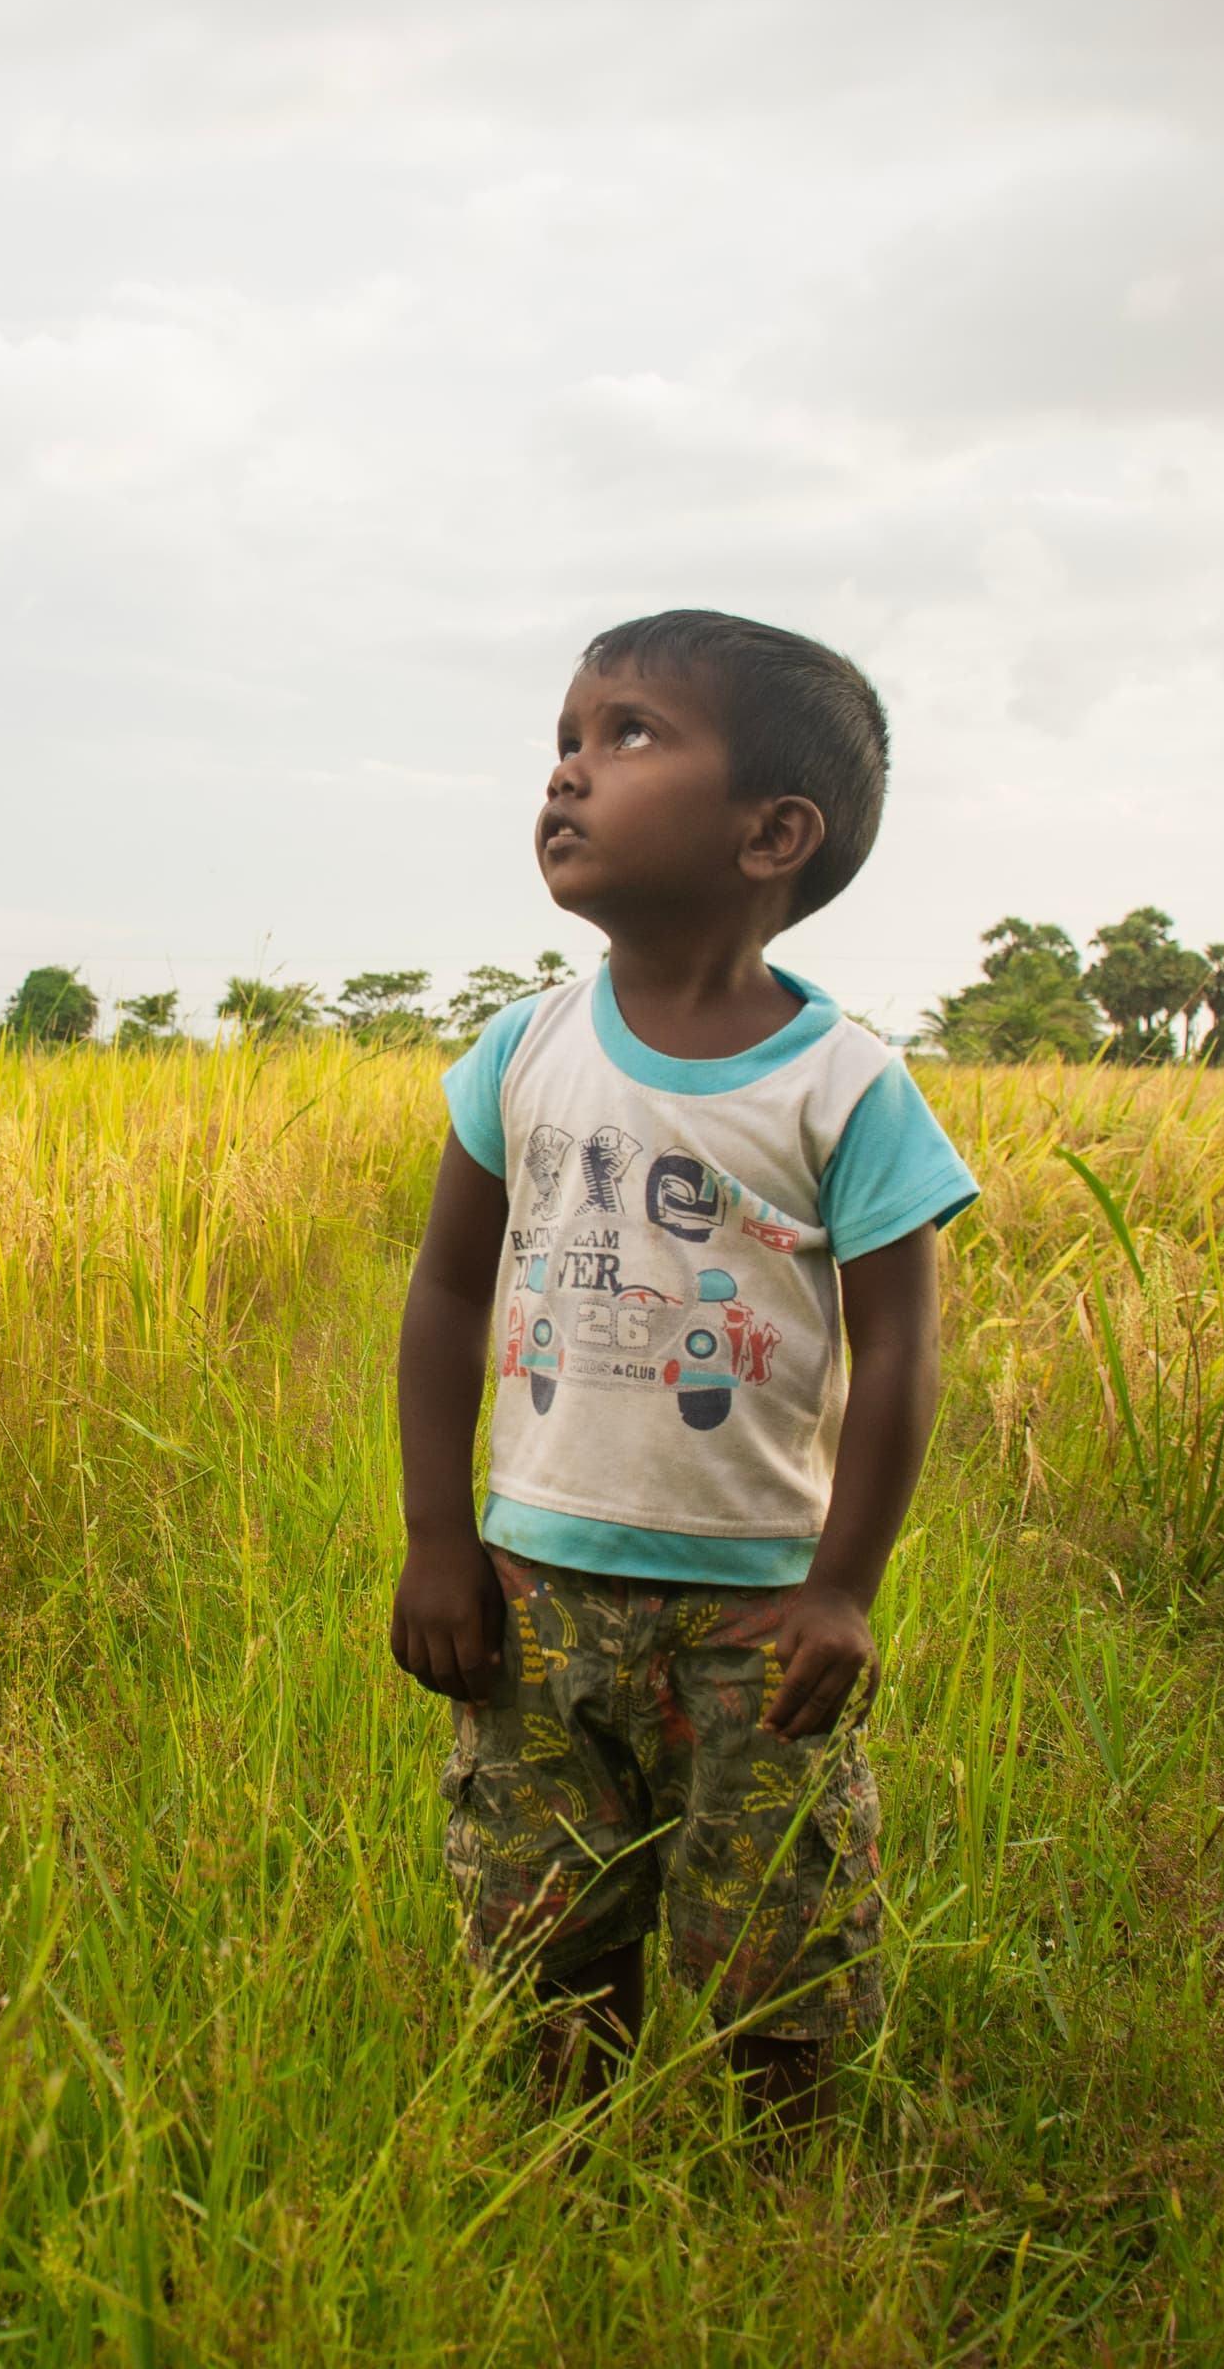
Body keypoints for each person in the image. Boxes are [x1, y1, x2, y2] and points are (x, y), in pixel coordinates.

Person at [389, 608, 976, 2127]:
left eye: (629, 734)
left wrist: (843, 1586)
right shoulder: (520, 1052)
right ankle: (558, 2170)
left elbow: (904, 1342)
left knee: (775, 1932)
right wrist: (439, 1539)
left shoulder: (847, 1086)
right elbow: (450, 1292)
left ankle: (777, 2199)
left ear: (773, 831)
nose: (570, 775)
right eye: (566, 743)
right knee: (542, 1926)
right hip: (535, 1596)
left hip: (756, 1617)